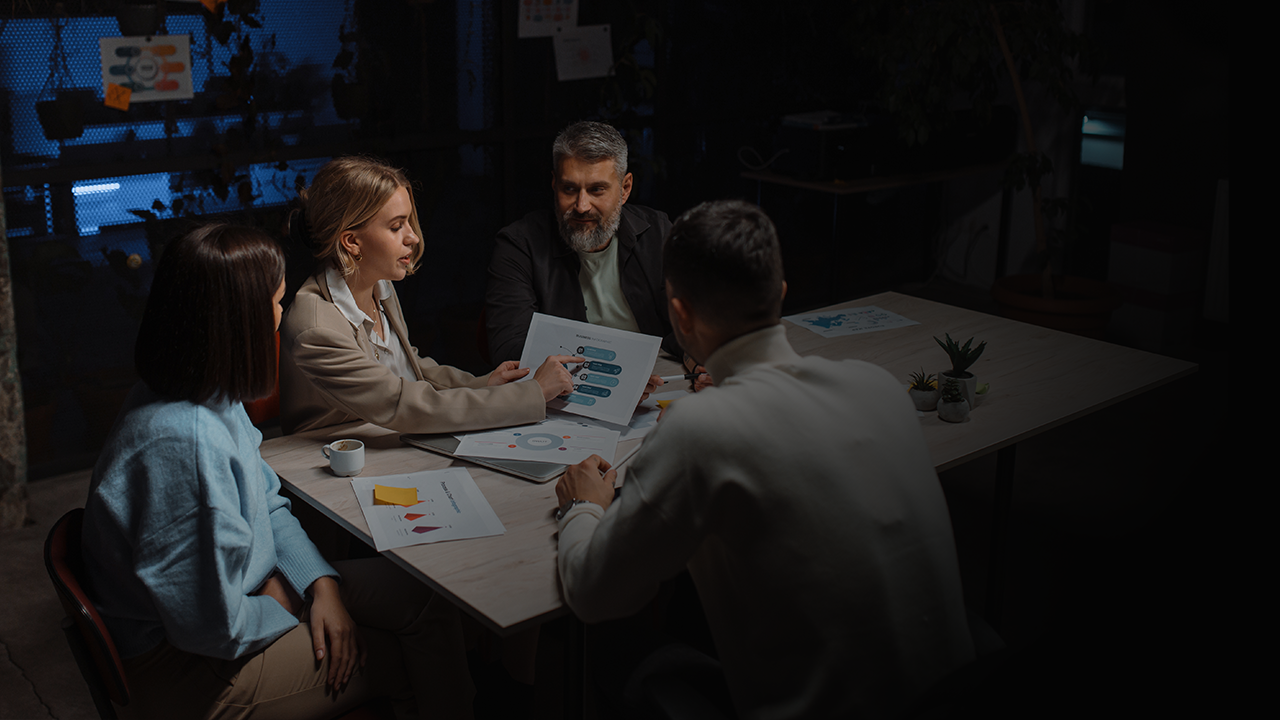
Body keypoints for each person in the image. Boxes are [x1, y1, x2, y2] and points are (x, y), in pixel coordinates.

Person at [552, 200, 976, 719]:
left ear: (680, 314)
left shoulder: (698, 431)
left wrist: (584, 507)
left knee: (619, 649)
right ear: (779, 294)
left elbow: (593, 596)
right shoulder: (879, 387)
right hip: (953, 696)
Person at [81, 224, 474, 719]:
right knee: (394, 653)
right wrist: (291, 599)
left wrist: (321, 585)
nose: (281, 314)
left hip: (251, 593)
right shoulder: (183, 444)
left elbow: (268, 501)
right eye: (276, 301)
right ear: (236, 321)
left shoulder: (204, 389)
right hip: (194, 669)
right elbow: (211, 630)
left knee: (425, 600)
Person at [280, 155, 579, 435]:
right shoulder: (316, 327)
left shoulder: (379, 286)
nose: (412, 236)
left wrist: (485, 384)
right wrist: (530, 394)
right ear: (352, 242)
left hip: (387, 439)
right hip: (335, 462)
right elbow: (401, 401)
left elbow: (410, 368)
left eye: (409, 221)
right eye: (396, 226)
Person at [486, 121, 708, 390]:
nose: (581, 206)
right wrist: (612, 375)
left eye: (596, 190)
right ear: (554, 183)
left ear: (625, 189)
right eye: (569, 189)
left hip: (655, 382)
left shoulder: (657, 233)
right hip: (564, 394)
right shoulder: (519, 245)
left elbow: (685, 323)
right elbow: (510, 348)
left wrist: (699, 361)